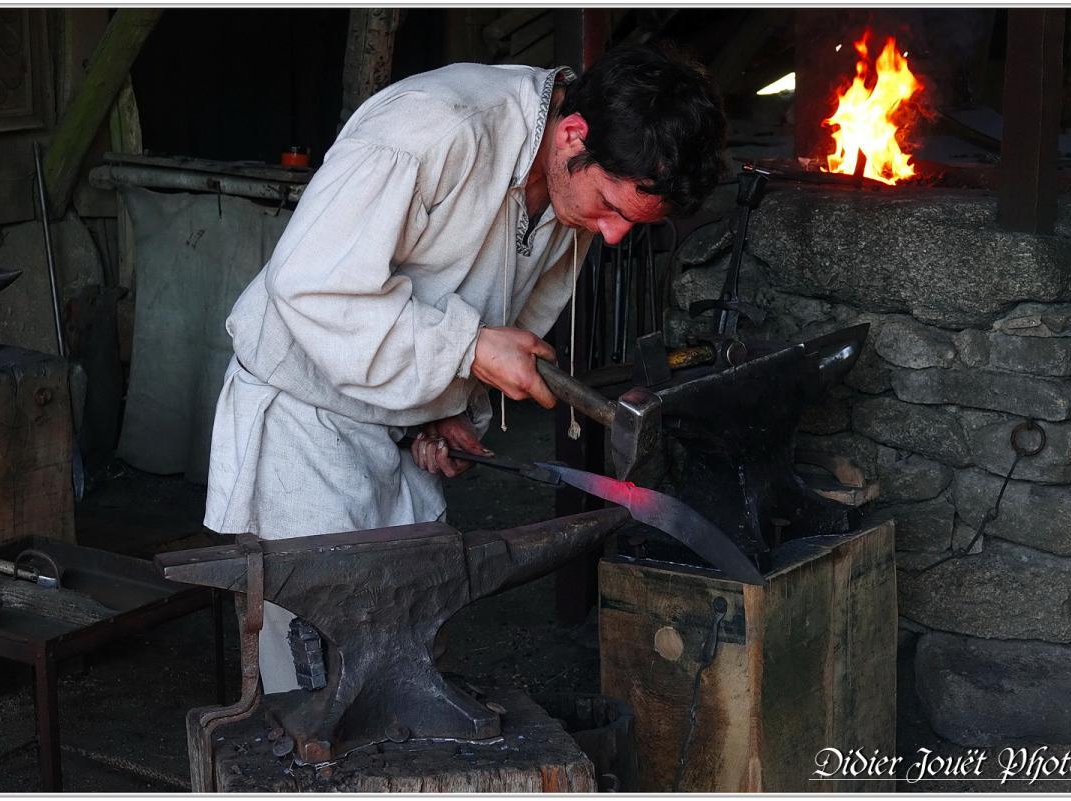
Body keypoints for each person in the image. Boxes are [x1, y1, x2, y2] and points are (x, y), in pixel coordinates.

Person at [204, 44, 727, 691]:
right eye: (611, 208)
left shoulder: (573, 190)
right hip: (304, 426)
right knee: (318, 678)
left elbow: (505, 313)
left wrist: (448, 405)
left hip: (393, 436)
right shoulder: (435, 129)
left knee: (411, 652)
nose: (613, 235)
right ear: (573, 135)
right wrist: (468, 350)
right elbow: (310, 286)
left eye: (631, 221)